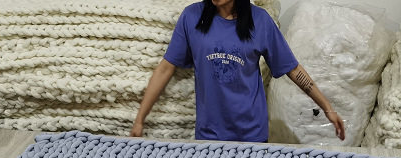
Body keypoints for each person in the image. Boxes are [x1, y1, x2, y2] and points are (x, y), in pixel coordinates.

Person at [132, 0, 346, 143]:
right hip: (209, 135)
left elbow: (293, 69)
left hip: (252, 134)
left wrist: (327, 107)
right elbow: (165, 69)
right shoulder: (192, 17)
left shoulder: (260, 21)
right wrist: (140, 119)